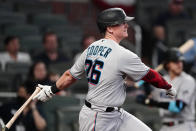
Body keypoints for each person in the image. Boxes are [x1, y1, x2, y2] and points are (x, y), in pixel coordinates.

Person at [33, 8, 176, 131]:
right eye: (122, 22)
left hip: (117, 115)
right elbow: (150, 75)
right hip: (97, 116)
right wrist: (167, 86)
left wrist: (51, 90)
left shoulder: (91, 48)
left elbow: (70, 75)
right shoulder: (123, 54)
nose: (126, 25)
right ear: (110, 28)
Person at [136, 48, 196, 131]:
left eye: (181, 61)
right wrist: (147, 88)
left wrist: (152, 102)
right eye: (175, 61)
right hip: (165, 126)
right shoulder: (162, 80)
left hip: (184, 125)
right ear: (167, 64)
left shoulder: (188, 81)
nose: (179, 64)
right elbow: (151, 100)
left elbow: (178, 107)